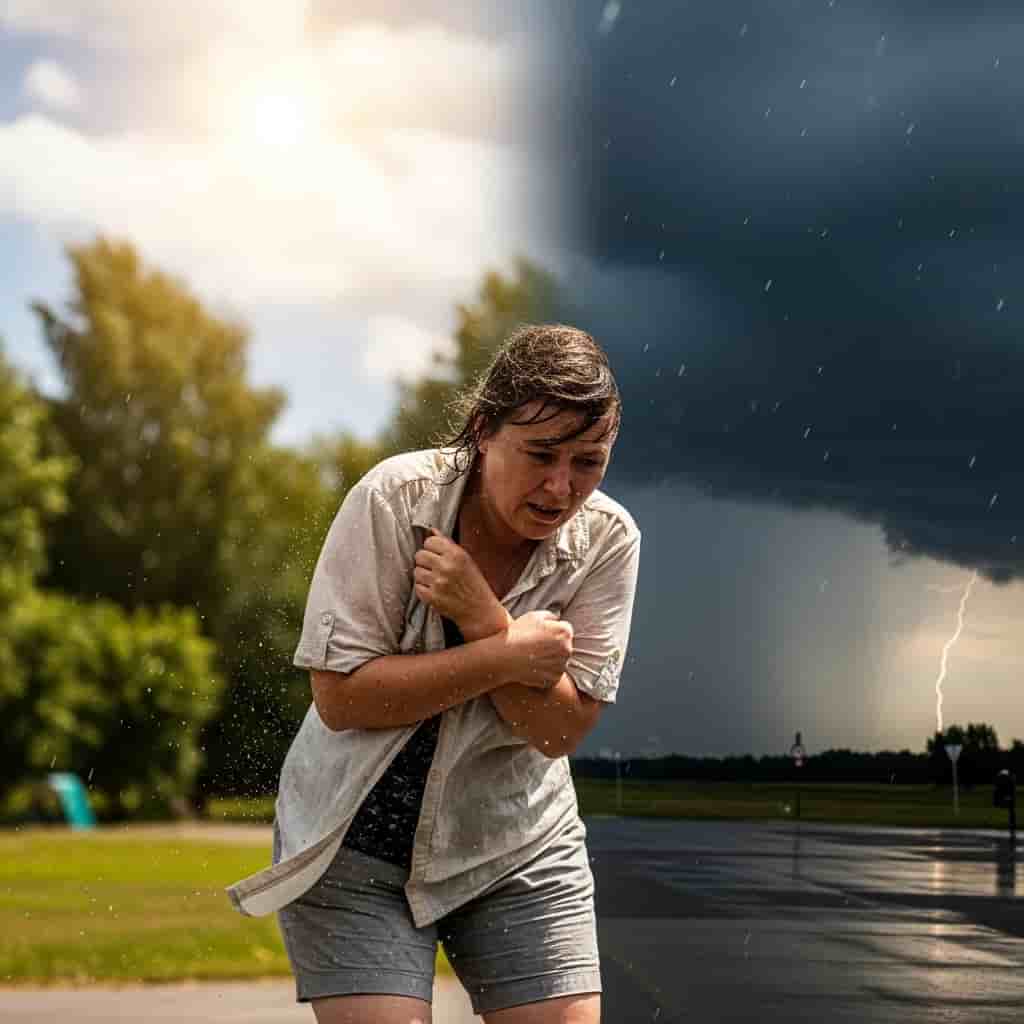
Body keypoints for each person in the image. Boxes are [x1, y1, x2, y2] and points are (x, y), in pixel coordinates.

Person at [228, 323, 641, 1024]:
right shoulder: (393, 499)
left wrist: (482, 616)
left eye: (588, 461)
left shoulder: (610, 541)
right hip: (353, 847)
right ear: (483, 431)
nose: (561, 485)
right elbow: (341, 698)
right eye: (540, 453)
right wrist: (506, 655)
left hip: (519, 847)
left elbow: (560, 730)